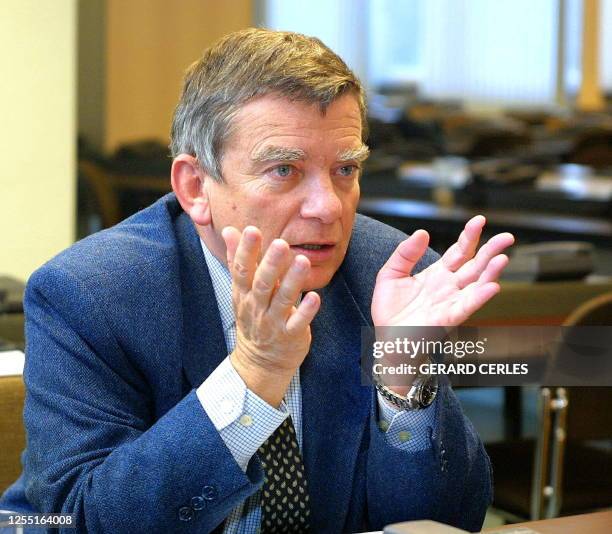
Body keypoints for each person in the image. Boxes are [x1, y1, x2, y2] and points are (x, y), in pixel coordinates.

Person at [1, 28, 514, 533]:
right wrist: (253, 375)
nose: (328, 207)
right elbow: (79, 520)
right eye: (284, 170)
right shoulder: (90, 293)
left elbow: (447, 522)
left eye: (344, 170)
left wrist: (400, 371)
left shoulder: (389, 273)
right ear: (195, 187)